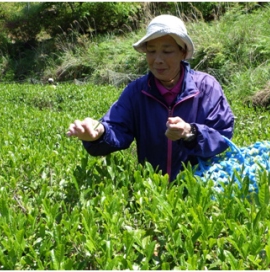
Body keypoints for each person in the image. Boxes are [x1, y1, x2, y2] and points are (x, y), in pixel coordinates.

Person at [66, 15, 235, 181]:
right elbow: (117, 128)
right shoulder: (136, 92)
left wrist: (190, 132)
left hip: (199, 189)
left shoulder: (206, 87)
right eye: (151, 51)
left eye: (167, 51)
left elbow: (222, 136)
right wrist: (99, 134)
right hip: (152, 191)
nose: (158, 60)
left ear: (182, 52)